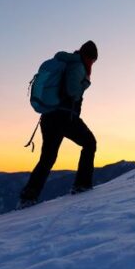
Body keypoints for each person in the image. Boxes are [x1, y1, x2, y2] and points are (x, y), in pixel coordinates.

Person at [18, 41, 99, 208]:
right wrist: (85, 83)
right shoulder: (78, 65)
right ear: (89, 57)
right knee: (90, 143)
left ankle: (28, 196)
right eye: (93, 60)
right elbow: (72, 91)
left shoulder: (66, 62)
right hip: (64, 116)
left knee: (47, 158)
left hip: (49, 116)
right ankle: (82, 185)